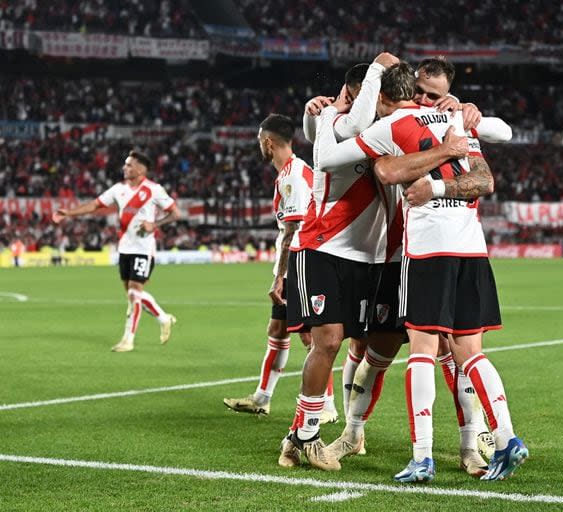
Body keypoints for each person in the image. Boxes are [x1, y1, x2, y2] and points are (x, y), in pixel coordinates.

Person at [314, 62, 528, 482]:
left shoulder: (393, 123)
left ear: (380, 97)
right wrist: (455, 142)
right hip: (472, 249)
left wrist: (324, 116)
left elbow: (347, 162)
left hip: (427, 251)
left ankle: (423, 456)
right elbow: (485, 176)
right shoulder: (453, 119)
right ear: (416, 89)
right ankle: (505, 439)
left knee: (421, 353)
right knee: (470, 353)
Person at [279, 53, 398, 471]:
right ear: (353, 93)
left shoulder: (386, 130)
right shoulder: (335, 122)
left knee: (359, 344)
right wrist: (376, 71)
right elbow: (350, 122)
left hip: (368, 258)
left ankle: (301, 436)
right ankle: (309, 435)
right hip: (322, 248)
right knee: (327, 340)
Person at [223, 114, 337, 423]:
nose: (260, 146)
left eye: (260, 141)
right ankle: (262, 398)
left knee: (310, 335)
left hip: (302, 263)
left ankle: (327, 405)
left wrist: (279, 277)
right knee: (278, 329)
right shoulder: (291, 172)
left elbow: (293, 230)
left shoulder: (292, 177)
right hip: (299, 261)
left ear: (268, 143)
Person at [53, 150, 180, 352]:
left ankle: (128, 340)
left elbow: (175, 213)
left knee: (134, 294)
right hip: (125, 249)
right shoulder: (118, 190)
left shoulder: (154, 190)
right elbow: (94, 205)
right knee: (133, 296)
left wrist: (154, 225)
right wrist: (69, 213)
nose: (124, 167)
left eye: (129, 165)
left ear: (139, 169)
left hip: (144, 249)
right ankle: (164, 318)